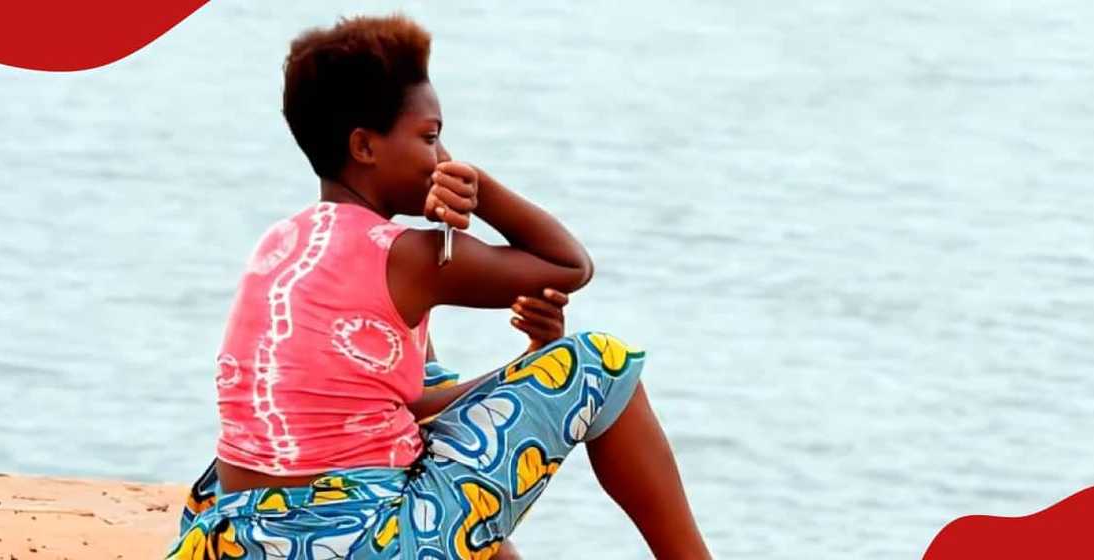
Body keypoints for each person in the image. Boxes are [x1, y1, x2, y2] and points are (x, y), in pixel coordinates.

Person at [167, 14, 710, 559]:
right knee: (600, 364)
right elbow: (569, 264)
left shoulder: (280, 242)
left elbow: (407, 406)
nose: (442, 160)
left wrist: (532, 360)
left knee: (433, 434)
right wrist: (482, 189)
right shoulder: (408, 254)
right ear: (364, 147)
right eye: (430, 138)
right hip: (355, 540)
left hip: (238, 537)